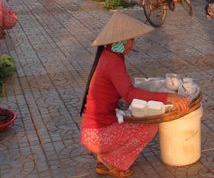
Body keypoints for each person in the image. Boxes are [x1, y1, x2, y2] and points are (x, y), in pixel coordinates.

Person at [80, 12, 189, 176]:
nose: (133, 43)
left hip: (94, 130)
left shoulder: (110, 54)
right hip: (96, 136)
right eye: (131, 39)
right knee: (149, 127)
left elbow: (125, 91)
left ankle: (104, 157)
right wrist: (169, 97)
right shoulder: (112, 61)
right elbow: (130, 95)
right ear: (120, 41)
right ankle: (108, 160)